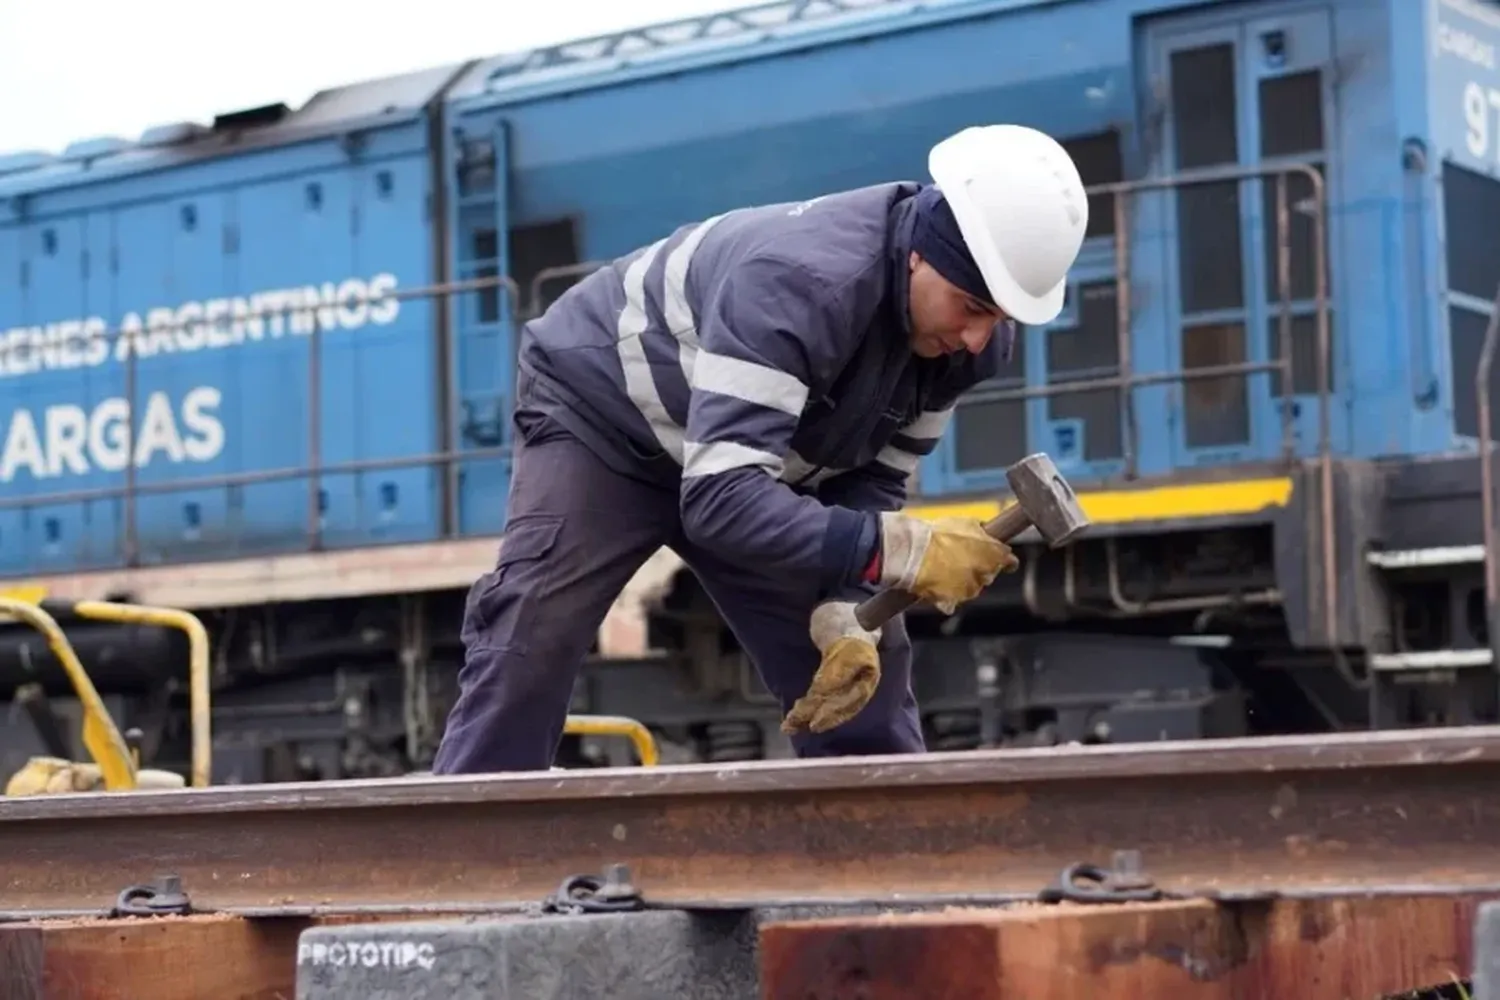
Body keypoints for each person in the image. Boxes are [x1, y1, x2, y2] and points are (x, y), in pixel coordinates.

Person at [431, 124, 1089, 774]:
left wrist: (844, 603)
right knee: (531, 640)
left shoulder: (967, 346)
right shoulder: (799, 285)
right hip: (604, 423)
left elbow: (872, 481)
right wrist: (901, 550)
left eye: (997, 317)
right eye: (970, 305)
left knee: (865, 666)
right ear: (921, 253)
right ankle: (462, 859)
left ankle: (883, 861)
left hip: (743, 462)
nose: (978, 338)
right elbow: (720, 503)